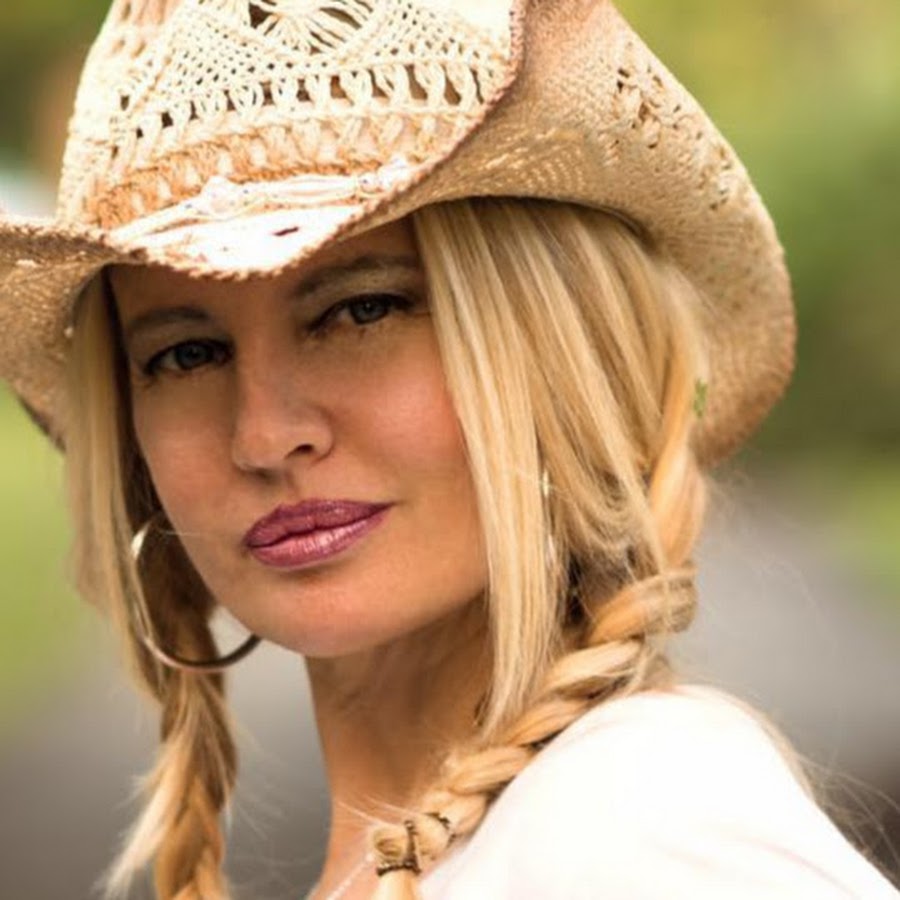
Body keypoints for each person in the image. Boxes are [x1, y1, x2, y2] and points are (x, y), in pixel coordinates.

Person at [0, 1, 896, 898]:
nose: (265, 436)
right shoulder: (500, 842)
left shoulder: (650, 830)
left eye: (361, 310)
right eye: (186, 354)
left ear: (556, 348)